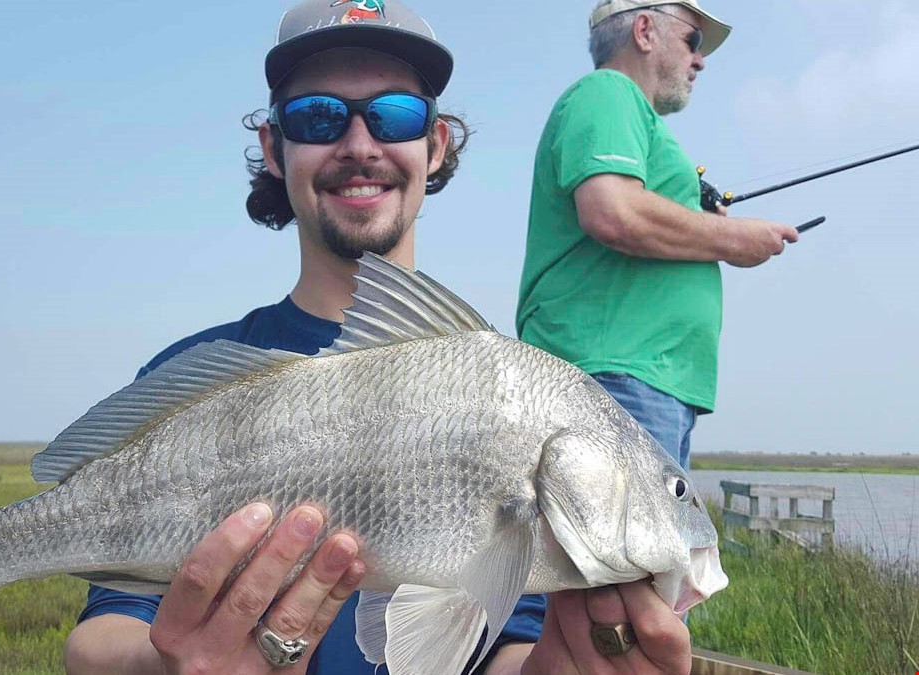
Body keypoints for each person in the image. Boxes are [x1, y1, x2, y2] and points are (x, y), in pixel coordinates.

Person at [64, 1, 692, 673]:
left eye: (395, 114)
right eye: (317, 117)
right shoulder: (189, 373)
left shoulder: (517, 391)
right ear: (276, 149)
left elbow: (508, 647)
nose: (359, 145)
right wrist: (168, 666)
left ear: (436, 143)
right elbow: (98, 640)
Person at [515, 0, 800, 472]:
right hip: (615, 379)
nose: (701, 59)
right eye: (693, 40)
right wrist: (735, 240)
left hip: (644, 384)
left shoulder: (630, 115)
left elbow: (630, 206)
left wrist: (703, 217)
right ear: (644, 31)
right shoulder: (608, 91)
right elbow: (613, 210)